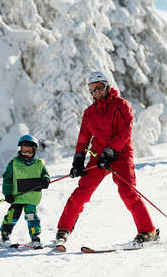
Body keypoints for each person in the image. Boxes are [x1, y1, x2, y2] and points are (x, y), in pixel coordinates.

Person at [55, 71, 159, 249]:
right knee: (81, 192)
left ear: (107, 86)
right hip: (97, 157)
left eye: (100, 86)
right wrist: (78, 159)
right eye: (93, 88)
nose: (97, 91)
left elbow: (124, 132)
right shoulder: (89, 112)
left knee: (127, 191)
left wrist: (110, 153)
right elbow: (83, 138)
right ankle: (63, 230)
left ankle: (147, 231)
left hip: (121, 155)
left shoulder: (121, 105)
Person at [0, 134, 50, 249]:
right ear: (19, 149)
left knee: (32, 216)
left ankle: (35, 237)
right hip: (17, 197)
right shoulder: (14, 163)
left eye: (29, 150)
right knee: (13, 216)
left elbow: (45, 174)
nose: (26, 153)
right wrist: (7, 194)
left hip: (32, 197)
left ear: (35, 150)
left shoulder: (39, 164)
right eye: (24, 150)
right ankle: (5, 235)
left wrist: (45, 180)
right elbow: (7, 179)